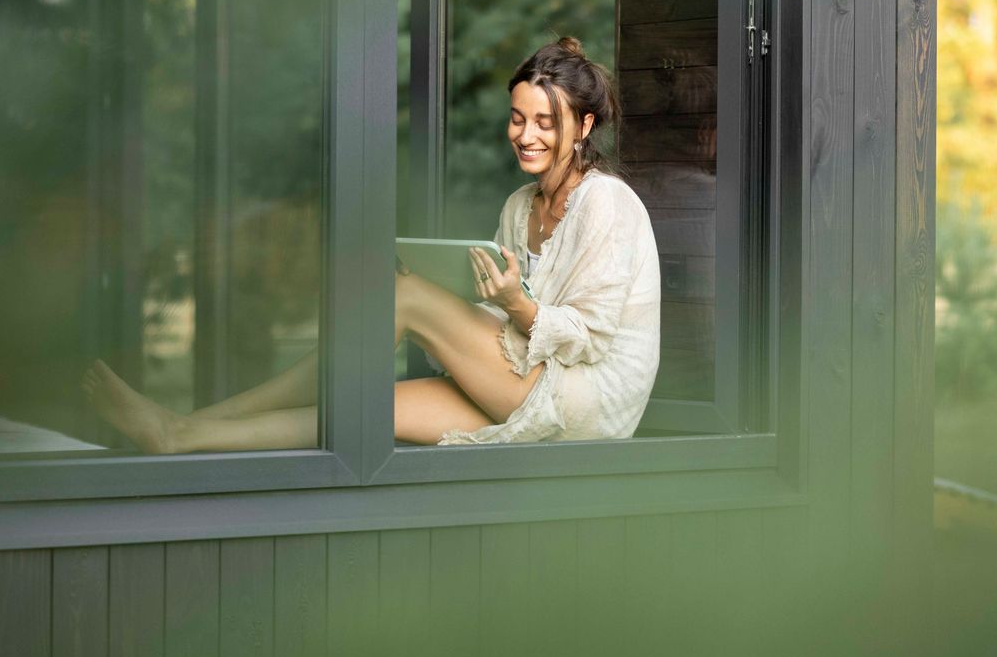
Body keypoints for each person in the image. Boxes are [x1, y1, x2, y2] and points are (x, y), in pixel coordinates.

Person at [84, 37, 661, 451]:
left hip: (588, 400)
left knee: (399, 296)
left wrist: (512, 304)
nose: (525, 135)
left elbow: (588, 339)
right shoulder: (519, 205)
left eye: (545, 122)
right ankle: (180, 433)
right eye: (517, 119)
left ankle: (197, 415)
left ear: (583, 128)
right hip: (527, 377)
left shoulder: (606, 202)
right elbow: (499, 323)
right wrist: (478, 297)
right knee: (364, 410)